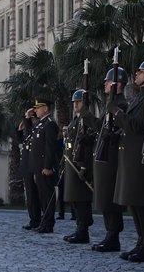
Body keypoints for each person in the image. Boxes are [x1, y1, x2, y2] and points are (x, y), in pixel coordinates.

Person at [112, 58, 144, 262]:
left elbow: (136, 125)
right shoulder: (139, 97)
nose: (136, 75)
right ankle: (141, 241)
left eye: (141, 72)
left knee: (143, 203)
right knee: (135, 202)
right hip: (132, 156)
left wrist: (116, 112)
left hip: (142, 156)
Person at [91, 66, 128, 252]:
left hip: (113, 158)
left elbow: (121, 129)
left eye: (108, 81)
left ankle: (113, 236)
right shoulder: (110, 104)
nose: (104, 84)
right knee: (105, 197)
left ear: (117, 84)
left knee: (111, 199)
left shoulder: (120, 104)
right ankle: (109, 234)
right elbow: (101, 127)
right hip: (105, 156)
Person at [61, 89, 96, 244]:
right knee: (75, 198)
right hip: (72, 164)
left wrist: (84, 166)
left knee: (82, 199)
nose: (76, 105)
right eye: (74, 102)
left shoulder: (86, 120)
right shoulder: (76, 120)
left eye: (79, 102)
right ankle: (79, 228)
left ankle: (83, 231)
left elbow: (88, 145)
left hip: (81, 165)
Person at [28, 98, 61, 234]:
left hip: (44, 168)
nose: (35, 110)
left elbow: (50, 147)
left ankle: (48, 224)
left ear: (46, 108)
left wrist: (47, 166)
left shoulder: (50, 124)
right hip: (38, 167)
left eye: (38, 108)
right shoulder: (40, 124)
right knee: (42, 196)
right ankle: (44, 222)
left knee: (47, 196)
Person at [15, 109, 40, 230]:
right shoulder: (29, 132)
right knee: (30, 196)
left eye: (34, 119)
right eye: (32, 119)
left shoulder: (37, 130)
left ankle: (38, 220)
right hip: (27, 167)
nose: (33, 121)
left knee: (35, 196)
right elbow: (20, 138)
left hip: (33, 166)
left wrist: (27, 117)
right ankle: (33, 219)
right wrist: (24, 121)